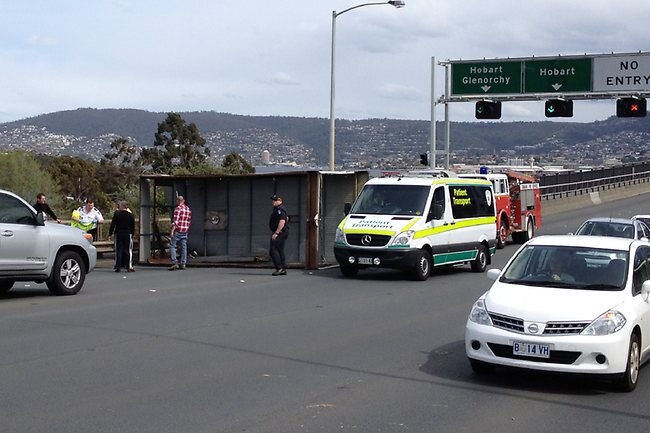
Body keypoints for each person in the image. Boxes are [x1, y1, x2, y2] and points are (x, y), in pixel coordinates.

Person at [108, 201, 136, 272]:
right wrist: (132, 235)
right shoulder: (130, 215)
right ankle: (128, 266)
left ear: (122, 206)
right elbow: (133, 227)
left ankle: (118, 266)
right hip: (128, 234)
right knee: (128, 250)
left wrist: (110, 234)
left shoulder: (117, 214)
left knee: (119, 250)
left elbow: (113, 224)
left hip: (119, 233)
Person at [169, 195, 192, 271]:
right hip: (185, 231)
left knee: (172, 245)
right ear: (184, 201)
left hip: (178, 230)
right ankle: (183, 263)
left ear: (178, 201)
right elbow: (188, 221)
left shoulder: (177, 209)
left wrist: (172, 230)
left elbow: (176, 222)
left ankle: (174, 262)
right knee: (183, 247)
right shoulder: (188, 209)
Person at [269, 194, 289, 276]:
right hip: (283, 232)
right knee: (280, 250)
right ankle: (283, 268)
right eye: (273, 200)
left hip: (280, 233)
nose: (273, 202)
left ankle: (279, 268)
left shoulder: (280, 209)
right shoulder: (279, 209)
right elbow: (287, 218)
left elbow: (282, 221)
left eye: (275, 200)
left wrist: (276, 233)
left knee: (273, 250)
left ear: (280, 201)